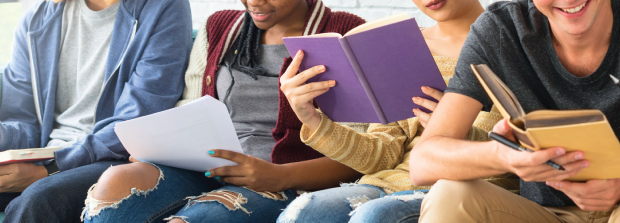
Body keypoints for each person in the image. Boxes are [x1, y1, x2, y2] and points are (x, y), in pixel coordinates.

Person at [0, 0, 192, 222]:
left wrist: (49, 168)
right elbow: (24, 122)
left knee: (39, 200)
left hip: (109, 159)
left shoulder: (163, 8)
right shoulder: (38, 19)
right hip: (41, 157)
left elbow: (136, 122)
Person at [80, 0, 370, 222]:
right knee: (115, 182)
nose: (254, 1)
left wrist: (280, 176)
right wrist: (159, 146)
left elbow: (361, 153)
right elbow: (188, 108)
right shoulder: (219, 27)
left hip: (284, 179)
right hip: (202, 167)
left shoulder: (344, 32)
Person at [274, 0, 520, 222]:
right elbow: (381, 155)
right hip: (388, 184)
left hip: (468, 188)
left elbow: (508, 156)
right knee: (304, 211)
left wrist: (450, 127)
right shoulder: (403, 48)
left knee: (374, 216)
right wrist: (312, 119)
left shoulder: (511, 46)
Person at [410, 0, 620, 222]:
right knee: (449, 195)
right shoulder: (502, 28)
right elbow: (423, 162)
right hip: (546, 214)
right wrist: (501, 156)